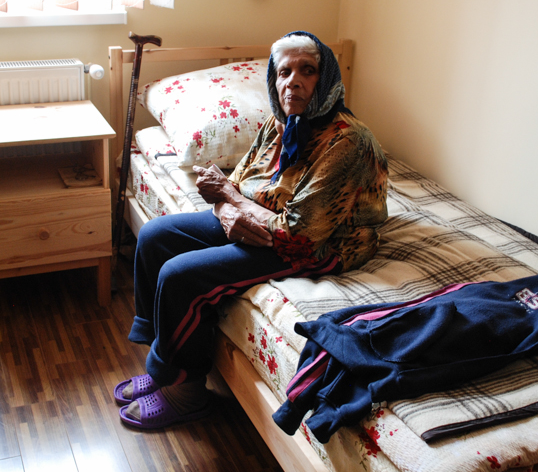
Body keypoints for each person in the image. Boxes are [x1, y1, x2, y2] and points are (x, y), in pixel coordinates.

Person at [115, 31, 389, 430]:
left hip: (323, 244)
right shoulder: (280, 124)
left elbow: (299, 235)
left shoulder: (349, 142)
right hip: (266, 221)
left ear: (327, 77)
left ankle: (185, 392)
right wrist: (227, 208)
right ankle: (164, 364)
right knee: (155, 238)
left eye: (307, 71)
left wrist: (232, 201)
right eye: (284, 72)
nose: (293, 82)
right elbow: (235, 183)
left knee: (180, 276)